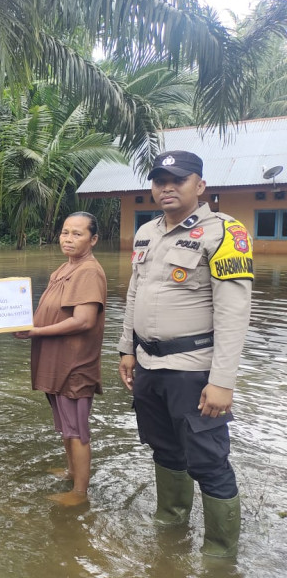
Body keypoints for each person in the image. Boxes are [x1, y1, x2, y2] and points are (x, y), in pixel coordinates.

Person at [118, 150, 253, 557]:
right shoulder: (147, 232)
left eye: (178, 179)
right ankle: (171, 521)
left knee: (209, 461)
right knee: (164, 449)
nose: (167, 187)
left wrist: (222, 382)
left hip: (194, 370)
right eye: (160, 180)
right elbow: (135, 292)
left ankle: (219, 552)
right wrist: (127, 348)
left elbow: (234, 314)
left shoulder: (225, 233)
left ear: (200, 185)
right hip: (149, 365)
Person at [14, 212, 107, 507]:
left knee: (77, 428)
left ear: (93, 239)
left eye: (77, 234)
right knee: (67, 425)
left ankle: (79, 493)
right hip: (57, 363)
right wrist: (22, 324)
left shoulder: (88, 271)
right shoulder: (64, 269)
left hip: (74, 365)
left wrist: (37, 330)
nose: (68, 238)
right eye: (65, 232)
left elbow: (83, 321)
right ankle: (71, 471)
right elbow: (51, 311)